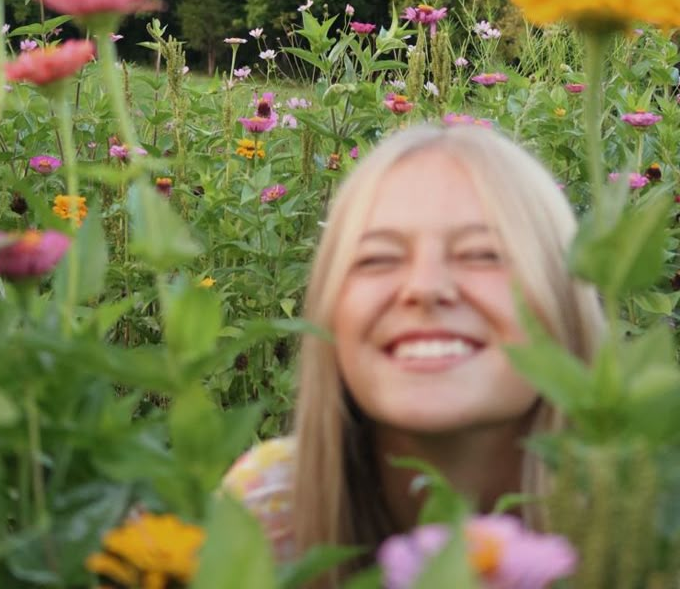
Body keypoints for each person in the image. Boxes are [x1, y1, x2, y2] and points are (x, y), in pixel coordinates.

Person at [223, 124, 605, 580]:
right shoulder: (269, 510)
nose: (424, 288)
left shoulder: (657, 527)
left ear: (565, 303)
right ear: (329, 314)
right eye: (378, 258)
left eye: (483, 253)